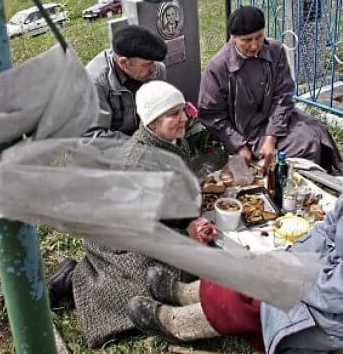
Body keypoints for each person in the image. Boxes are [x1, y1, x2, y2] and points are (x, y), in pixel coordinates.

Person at [127, 120, 343, 353]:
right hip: (337, 275)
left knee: (260, 296)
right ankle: (187, 293)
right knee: (255, 262)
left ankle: (180, 324)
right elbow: (328, 231)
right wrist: (289, 256)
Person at [47, 80, 217, 348]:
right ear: (150, 122)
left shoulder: (169, 139)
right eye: (173, 114)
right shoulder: (138, 163)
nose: (184, 117)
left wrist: (189, 217)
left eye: (182, 110)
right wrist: (186, 232)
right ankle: (76, 278)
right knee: (153, 282)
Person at [198, 5, 340, 171]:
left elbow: (283, 95)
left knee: (317, 132)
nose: (254, 45)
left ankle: (317, 175)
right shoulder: (218, 67)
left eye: (259, 37)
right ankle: (287, 182)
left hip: (277, 118)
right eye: (247, 40)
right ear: (233, 37)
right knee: (305, 144)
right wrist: (239, 146)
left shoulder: (275, 50)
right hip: (246, 131)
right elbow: (211, 115)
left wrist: (271, 138)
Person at [85, 25, 168, 138]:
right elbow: (92, 136)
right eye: (148, 64)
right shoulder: (95, 84)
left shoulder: (157, 70)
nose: (154, 69)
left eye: (154, 62)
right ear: (124, 63)